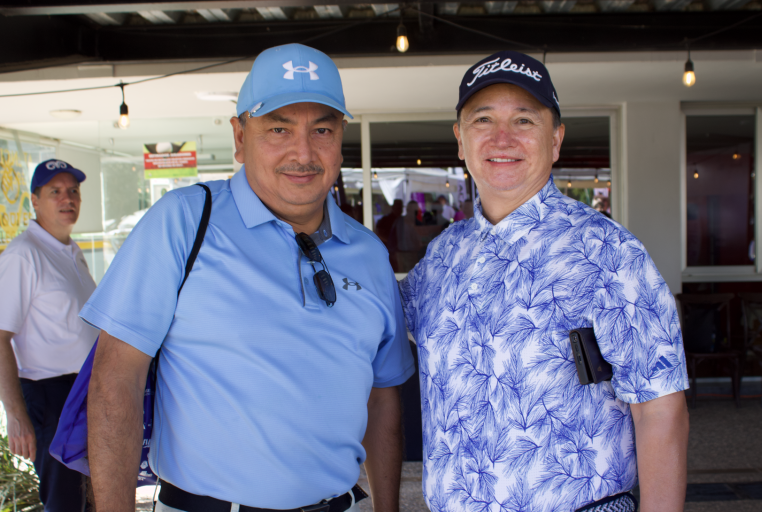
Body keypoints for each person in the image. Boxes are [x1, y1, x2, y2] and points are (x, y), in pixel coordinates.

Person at [80, 43, 414, 512]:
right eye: (278, 128)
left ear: (340, 139)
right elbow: (116, 380)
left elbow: (383, 401)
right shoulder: (184, 222)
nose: (303, 152)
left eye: (322, 129)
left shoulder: (370, 254)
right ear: (240, 137)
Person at [399, 51, 689, 512]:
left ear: (555, 140)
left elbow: (661, 410)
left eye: (524, 121)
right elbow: (374, 329)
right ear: (460, 139)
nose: (502, 138)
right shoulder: (442, 257)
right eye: (483, 119)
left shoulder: (608, 253)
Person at [0, 160, 97, 512]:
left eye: (73, 191)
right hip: (51, 397)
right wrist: (16, 415)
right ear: (35, 201)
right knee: (64, 502)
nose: (66, 198)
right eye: (54, 191)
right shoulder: (24, 254)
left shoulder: (69, 252)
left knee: (88, 497)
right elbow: (0, 337)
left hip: (82, 391)